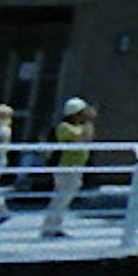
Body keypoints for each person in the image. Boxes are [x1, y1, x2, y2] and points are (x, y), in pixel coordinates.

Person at [42, 98, 96, 238]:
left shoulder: (80, 126)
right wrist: (89, 121)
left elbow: (88, 139)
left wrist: (88, 123)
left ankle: (55, 226)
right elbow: (80, 139)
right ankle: (49, 228)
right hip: (66, 168)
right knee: (60, 198)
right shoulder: (64, 127)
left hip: (77, 168)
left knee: (65, 199)